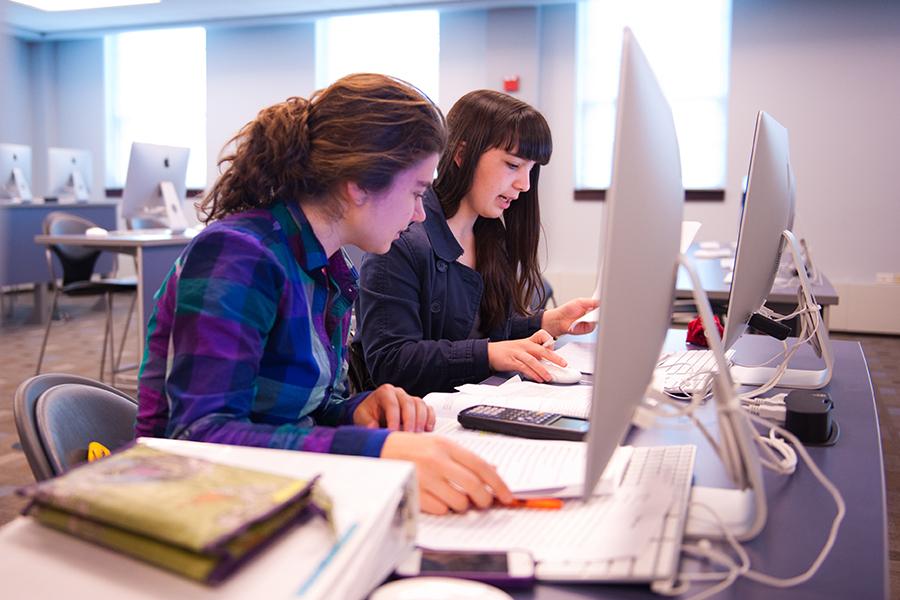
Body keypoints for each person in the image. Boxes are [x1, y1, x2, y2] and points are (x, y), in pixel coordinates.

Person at [135, 74, 513, 515]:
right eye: (415, 192)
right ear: (358, 184)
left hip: (272, 491)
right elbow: (198, 437)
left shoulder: (331, 268)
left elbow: (301, 412)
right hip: (187, 501)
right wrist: (377, 449)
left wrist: (356, 411)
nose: (416, 215)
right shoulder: (237, 255)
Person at [354, 89, 598, 398]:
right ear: (461, 154)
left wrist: (549, 322)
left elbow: (481, 331)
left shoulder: (490, 234)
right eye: (512, 165)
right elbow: (391, 362)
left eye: (531, 169)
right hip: (420, 421)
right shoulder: (400, 240)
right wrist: (490, 355)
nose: (524, 185)